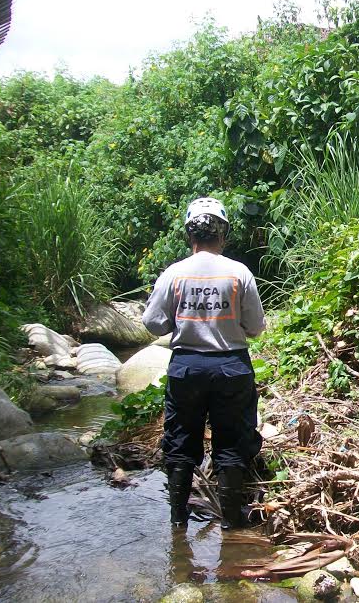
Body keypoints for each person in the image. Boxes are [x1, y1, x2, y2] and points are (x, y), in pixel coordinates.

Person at [142, 197, 266, 530]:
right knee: (232, 441)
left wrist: (185, 320)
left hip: (187, 367)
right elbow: (255, 328)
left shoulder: (174, 273)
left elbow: (153, 324)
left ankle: (177, 521)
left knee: (181, 440)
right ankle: (231, 523)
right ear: (222, 234)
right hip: (231, 367)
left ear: (189, 234)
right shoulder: (239, 273)